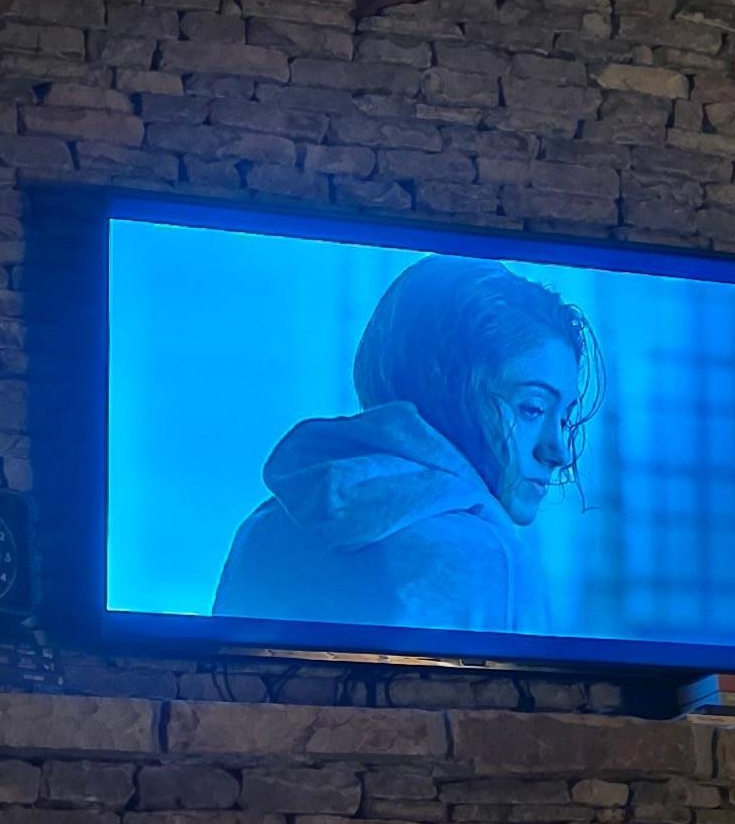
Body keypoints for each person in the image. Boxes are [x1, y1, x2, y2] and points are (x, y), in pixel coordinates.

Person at [214, 254, 601, 635]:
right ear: (448, 391)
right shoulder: (490, 563)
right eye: (533, 408)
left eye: (564, 419)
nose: (559, 451)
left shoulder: (262, 530)